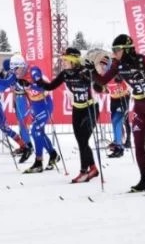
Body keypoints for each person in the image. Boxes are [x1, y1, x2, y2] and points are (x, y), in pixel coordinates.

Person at [93, 34, 145, 193]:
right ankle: (144, 180)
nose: (114, 53)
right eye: (113, 50)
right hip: (139, 104)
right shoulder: (117, 65)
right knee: (138, 143)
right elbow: (102, 81)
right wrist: (91, 71)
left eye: (116, 50)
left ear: (127, 49)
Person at [35, 47, 99, 182]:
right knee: (81, 141)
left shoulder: (84, 71)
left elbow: (98, 84)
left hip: (90, 108)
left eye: (65, 60)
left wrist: (92, 72)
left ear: (73, 60)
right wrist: (37, 81)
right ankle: (93, 168)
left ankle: (84, 171)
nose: (63, 62)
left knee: (83, 140)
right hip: (77, 109)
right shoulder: (65, 74)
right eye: (62, 60)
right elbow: (50, 86)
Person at [16, 67, 59, 173]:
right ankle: (53, 155)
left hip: (44, 104)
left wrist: (29, 85)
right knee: (39, 133)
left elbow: (43, 87)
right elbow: (5, 85)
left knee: (35, 131)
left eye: (18, 69)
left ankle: (38, 162)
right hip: (35, 106)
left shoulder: (33, 72)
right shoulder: (17, 76)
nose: (16, 72)